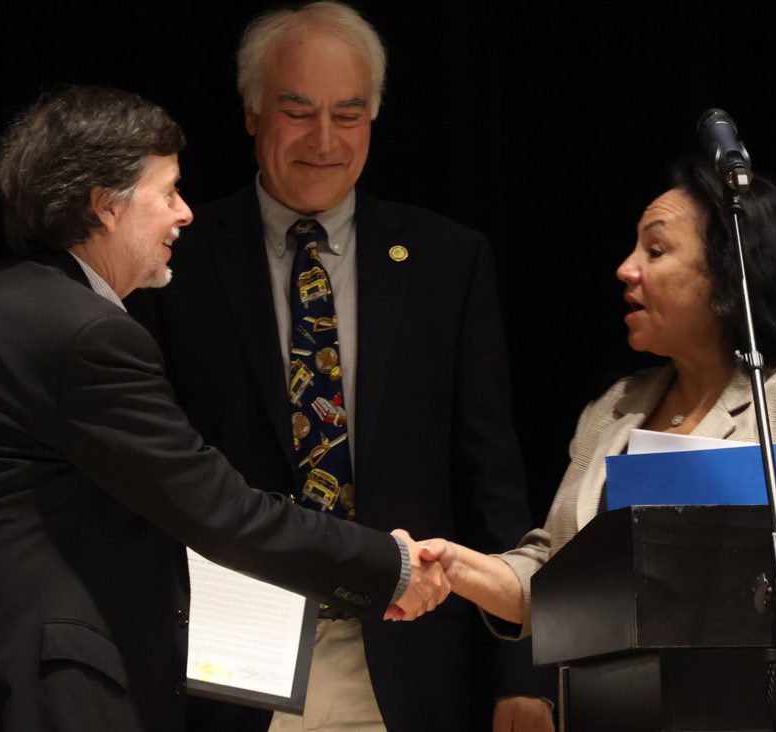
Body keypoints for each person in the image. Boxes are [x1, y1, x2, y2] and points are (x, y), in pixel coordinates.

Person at [0, 85, 449, 732]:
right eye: (168, 193)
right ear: (106, 206)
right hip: (41, 694)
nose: (185, 214)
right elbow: (219, 510)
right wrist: (393, 565)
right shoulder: (85, 335)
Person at [127, 2, 554, 731]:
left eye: (348, 114)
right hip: (225, 674)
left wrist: (520, 674)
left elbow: (490, 479)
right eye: (298, 112)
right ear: (254, 113)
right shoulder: (176, 261)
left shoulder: (447, 262)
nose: (324, 141)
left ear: (374, 117)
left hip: (405, 667)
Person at [435, 157, 776, 636]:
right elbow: (557, 573)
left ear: (726, 285)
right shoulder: (613, 409)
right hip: (612, 702)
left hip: (749, 700)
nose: (625, 268)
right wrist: (453, 565)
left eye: (655, 251)